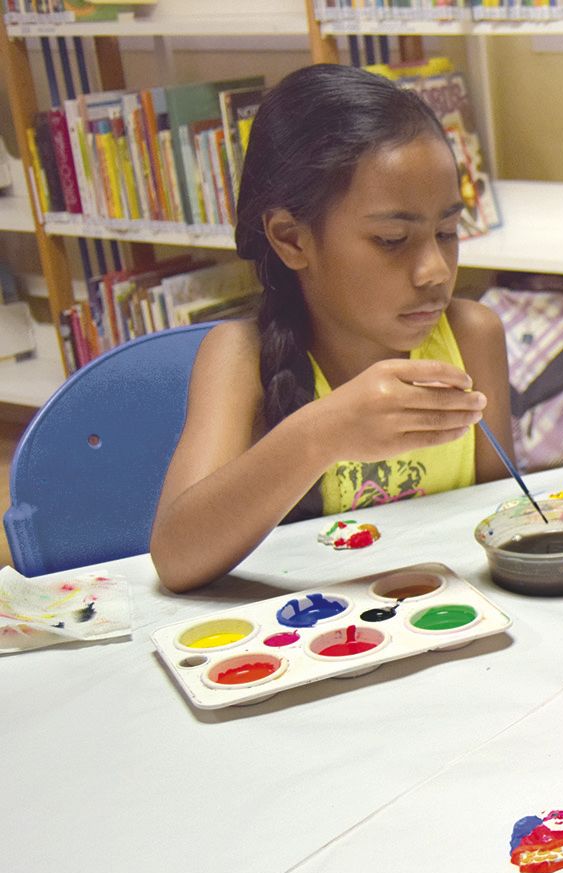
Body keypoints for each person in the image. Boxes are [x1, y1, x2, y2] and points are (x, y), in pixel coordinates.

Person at [150, 64, 516, 592]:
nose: (436, 269)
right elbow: (177, 559)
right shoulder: (239, 356)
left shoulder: (472, 336)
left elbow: (498, 524)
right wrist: (321, 434)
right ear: (291, 239)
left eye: (448, 231)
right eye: (393, 239)